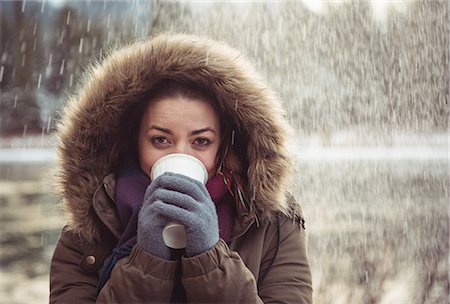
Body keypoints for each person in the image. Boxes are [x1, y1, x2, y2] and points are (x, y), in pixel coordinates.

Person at [50, 33, 312, 303]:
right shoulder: (89, 229)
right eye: (160, 139)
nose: (180, 155)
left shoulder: (274, 224)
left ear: (223, 146)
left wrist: (210, 260)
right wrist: (147, 261)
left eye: (201, 141)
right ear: (134, 142)